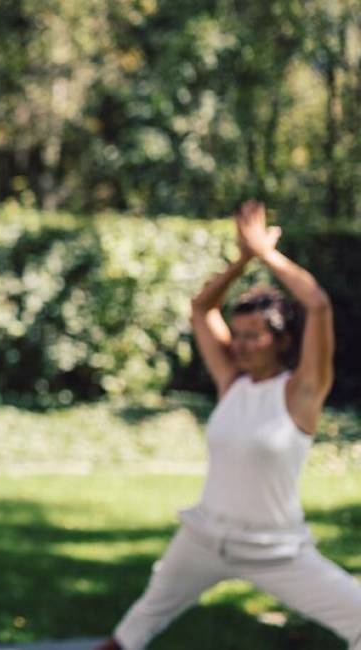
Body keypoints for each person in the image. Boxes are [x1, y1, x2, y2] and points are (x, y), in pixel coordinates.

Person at [97, 201, 361, 649]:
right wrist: (242, 259)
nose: (239, 345)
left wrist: (266, 254)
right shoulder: (232, 382)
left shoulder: (302, 392)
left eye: (253, 336)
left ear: (281, 340)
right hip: (203, 539)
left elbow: (316, 304)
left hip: (275, 549)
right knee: (128, 636)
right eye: (236, 335)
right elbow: (201, 309)